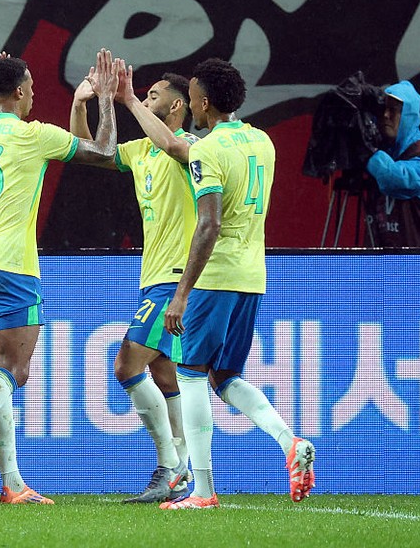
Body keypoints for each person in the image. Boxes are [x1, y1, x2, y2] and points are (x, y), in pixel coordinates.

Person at [0, 48, 119, 504]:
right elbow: (105, 151)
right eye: (30, 89)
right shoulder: (34, 135)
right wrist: (105, 99)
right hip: (12, 265)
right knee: (16, 371)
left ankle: (12, 484)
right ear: (16, 92)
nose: (33, 97)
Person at [116, 57, 314, 510]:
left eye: (194, 98)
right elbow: (174, 147)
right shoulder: (262, 141)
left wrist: (182, 294)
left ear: (203, 102)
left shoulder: (208, 151)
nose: (192, 106)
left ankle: (202, 490)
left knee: (189, 376)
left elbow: (208, 224)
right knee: (224, 377)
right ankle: (289, 441)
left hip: (216, 274)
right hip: (253, 275)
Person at [70, 72, 193, 503]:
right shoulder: (140, 150)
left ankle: (171, 468)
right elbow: (89, 152)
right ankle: (185, 470)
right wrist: (81, 103)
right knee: (164, 373)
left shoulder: (194, 148)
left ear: (176, 106)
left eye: (153, 95)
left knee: (126, 365)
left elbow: (171, 145)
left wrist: (126, 100)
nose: (144, 98)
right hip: (153, 277)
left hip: (176, 277)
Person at [363, 81, 420, 247]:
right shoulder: (385, 150)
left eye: (393, 110)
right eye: (383, 109)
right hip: (388, 258)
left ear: (408, 116)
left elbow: (395, 180)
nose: (386, 115)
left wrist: (367, 151)